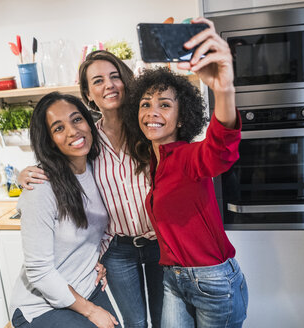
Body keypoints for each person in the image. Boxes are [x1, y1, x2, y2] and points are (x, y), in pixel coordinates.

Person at [17, 51, 164, 328]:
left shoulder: (150, 130)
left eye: (114, 76)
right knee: (135, 322)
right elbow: (57, 167)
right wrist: (22, 176)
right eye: (98, 81)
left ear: (125, 81)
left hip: (160, 243)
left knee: (165, 319)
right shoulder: (89, 141)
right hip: (119, 249)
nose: (108, 85)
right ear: (88, 94)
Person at [123, 18, 248, 327]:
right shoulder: (154, 161)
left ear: (182, 119)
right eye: (145, 103)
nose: (152, 111)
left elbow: (220, 148)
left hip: (213, 282)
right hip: (173, 278)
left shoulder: (189, 157)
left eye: (165, 104)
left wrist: (224, 89)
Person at [10, 92, 120, 328]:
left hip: (86, 288)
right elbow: (39, 272)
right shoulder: (40, 187)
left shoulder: (96, 168)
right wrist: (91, 312)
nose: (72, 131)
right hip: (40, 305)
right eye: (59, 128)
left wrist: (100, 259)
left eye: (77, 120)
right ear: (49, 140)